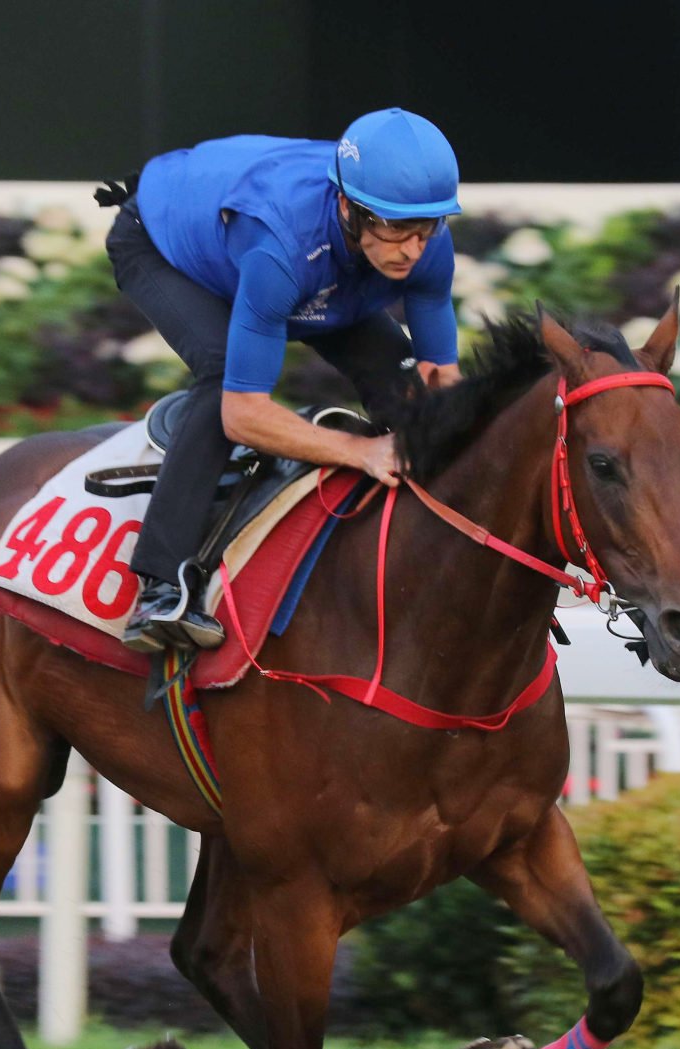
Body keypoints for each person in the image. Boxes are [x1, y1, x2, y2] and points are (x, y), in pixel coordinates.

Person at [99, 108, 465, 653]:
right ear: (348, 206)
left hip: (314, 262)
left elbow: (441, 382)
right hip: (166, 241)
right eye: (395, 228)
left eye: (426, 227)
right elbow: (243, 414)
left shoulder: (421, 243)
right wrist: (361, 451)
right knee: (223, 372)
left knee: (409, 389)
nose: (412, 249)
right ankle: (160, 586)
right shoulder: (283, 249)